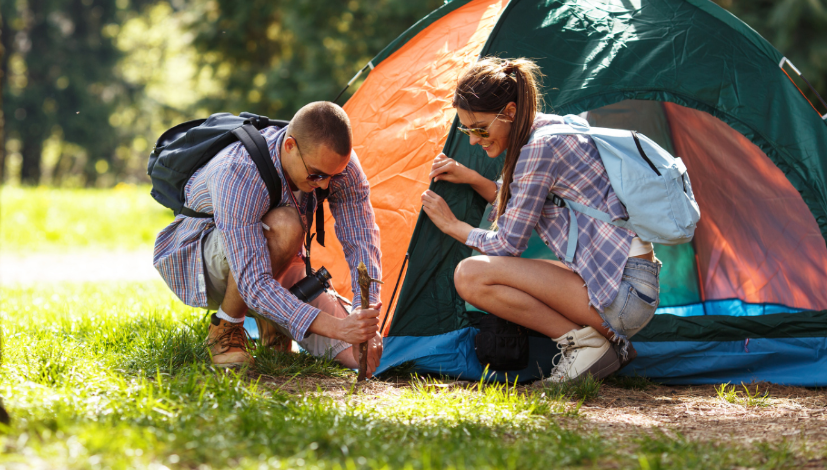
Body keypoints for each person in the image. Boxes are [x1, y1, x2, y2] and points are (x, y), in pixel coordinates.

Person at [419, 57, 661, 383]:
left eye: (479, 128)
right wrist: (473, 178)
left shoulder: (539, 149)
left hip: (625, 296)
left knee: (470, 275)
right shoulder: (550, 129)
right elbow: (522, 201)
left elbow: (508, 243)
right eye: (466, 129)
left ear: (510, 112)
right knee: (519, 270)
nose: (473, 139)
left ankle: (584, 345)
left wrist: (453, 226)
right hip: (632, 286)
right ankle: (606, 345)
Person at [153, 101, 383, 375]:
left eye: (332, 176)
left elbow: (362, 240)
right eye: (317, 175)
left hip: (275, 263)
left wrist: (364, 312)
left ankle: (273, 322)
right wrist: (338, 328)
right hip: (205, 261)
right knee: (286, 225)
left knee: (364, 358)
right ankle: (225, 330)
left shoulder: (337, 166)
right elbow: (253, 282)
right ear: (290, 146)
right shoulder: (238, 170)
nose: (324, 185)